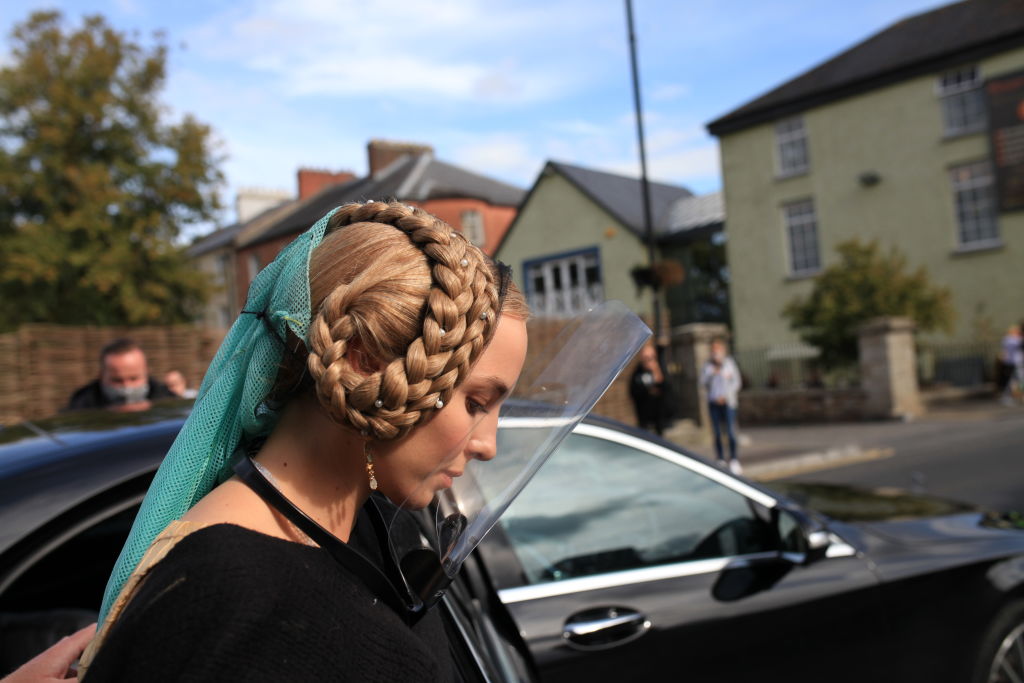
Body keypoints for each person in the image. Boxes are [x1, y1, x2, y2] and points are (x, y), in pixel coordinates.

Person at [72, 202, 532, 681]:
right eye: (477, 403)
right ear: (363, 362)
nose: (487, 446)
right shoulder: (235, 603)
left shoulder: (377, 527)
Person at [66, 339, 175, 412]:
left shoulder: (169, 405)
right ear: (101, 376)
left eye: (133, 378)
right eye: (117, 380)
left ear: (146, 372)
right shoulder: (81, 407)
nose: (127, 387)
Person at [701, 337, 742, 474]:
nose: (715, 353)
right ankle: (720, 458)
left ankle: (734, 458)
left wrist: (726, 396)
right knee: (717, 431)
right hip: (714, 402)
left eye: (717, 350)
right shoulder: (708, 366)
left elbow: (736, 383)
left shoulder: (729, 364)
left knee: (730, 431)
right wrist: (713, 373)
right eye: (713, 350)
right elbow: (702, 383)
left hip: (728, 403)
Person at [629, 342, 673, 435]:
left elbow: (667, 389)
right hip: (644, 418)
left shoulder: (659, 370)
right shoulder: (638, 372)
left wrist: (656, 372)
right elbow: (633, 392)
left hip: (659, 418)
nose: (648, 361)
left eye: (651, 358)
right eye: (646, 358)